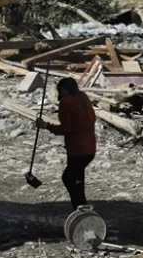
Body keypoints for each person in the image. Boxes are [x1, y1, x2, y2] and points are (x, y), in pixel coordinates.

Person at [36, 77, 97, 209]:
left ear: (63, 89)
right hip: (90, 148)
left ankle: (80, 208)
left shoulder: (66, 102)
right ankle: (81, 205)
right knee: (77, 178)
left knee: (69, 178)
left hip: (77, 149)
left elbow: (66, 129)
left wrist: (46, 125)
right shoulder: (83, 97)